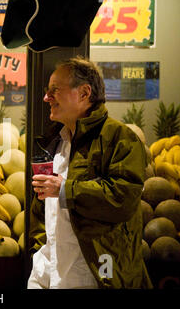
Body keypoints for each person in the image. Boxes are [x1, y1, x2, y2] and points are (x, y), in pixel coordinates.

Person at [28, 57, 153, 289]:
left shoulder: (120, 138)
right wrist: (38, 254)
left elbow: (123, 197)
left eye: (55, 90)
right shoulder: (55, 140)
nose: (46, 97)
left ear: (84, 93)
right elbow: (42, 209)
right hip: (47, 273)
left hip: (94, 276)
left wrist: (65, 189)